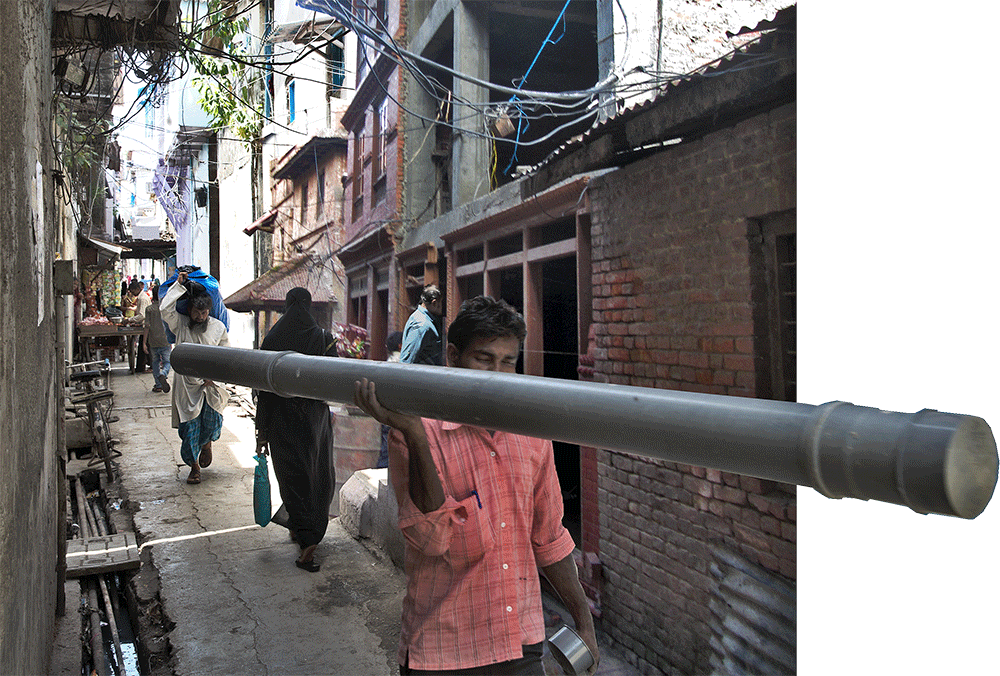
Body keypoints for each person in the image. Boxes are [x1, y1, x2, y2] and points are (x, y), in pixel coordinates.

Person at [354, 296, 600, 675]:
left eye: (508, 362)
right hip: (443, 650)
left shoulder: (532, 432)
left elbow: (548, 536)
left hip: (521, 643)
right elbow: (431, 539)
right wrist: (416, 436)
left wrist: (583, 619)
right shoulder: (418, 430)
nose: (496, 374)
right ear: (453, 356)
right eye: (484, 359)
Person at [254, 288, 338, 572]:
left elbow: (262, 390)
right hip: (315, 422)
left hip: (282, 420)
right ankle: (308, 534)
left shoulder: (273, 339)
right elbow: (335, 378)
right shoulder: (324, 339)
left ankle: (306, 541)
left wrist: (261, 431)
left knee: (292, 478)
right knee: (318, 476)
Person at [161, 270, 230, 485]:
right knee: (189, 428)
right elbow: (165, 309)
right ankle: (194, 467)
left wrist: (215, 378)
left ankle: (208, 444)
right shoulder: (180, 325)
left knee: (211, 422)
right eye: (196, 312)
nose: (200, 316)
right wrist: (179, 285)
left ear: (210, 310)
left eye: (204, 312)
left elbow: (226, 355)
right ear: (189, 310)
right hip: (187, 386)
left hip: (211, 386)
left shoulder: (218, 328)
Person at [376, 331, 405, 469]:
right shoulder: (404, 364)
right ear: (400, 346)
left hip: (386, 412)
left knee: (386, 448)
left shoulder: (388, 364)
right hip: (398, 413)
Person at [399, 285, 443, 365]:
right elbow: (407, 361)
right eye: (440, 303)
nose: (442, 307)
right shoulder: (422, 324)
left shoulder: (418, 317)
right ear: (434, 303)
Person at [143, 283, 171, 393]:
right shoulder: (166, 308)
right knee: (167, 362)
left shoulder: (149, 309)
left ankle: (158, 385)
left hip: (153, 340)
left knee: (154, 362)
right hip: (165, 340)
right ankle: (163, 373)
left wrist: (144, 342)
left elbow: (147, 326)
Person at [125, 280, 151, 372]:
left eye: (132, 291)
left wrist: (129, 320)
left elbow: (142, 315)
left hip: (147, 326)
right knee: (143, 347)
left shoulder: (142, 298)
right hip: (144, 325)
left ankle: (144, 366)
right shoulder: (141, 297)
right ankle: (141, 367)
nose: (131, 293)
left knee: (144, 346)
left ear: (137, 289)